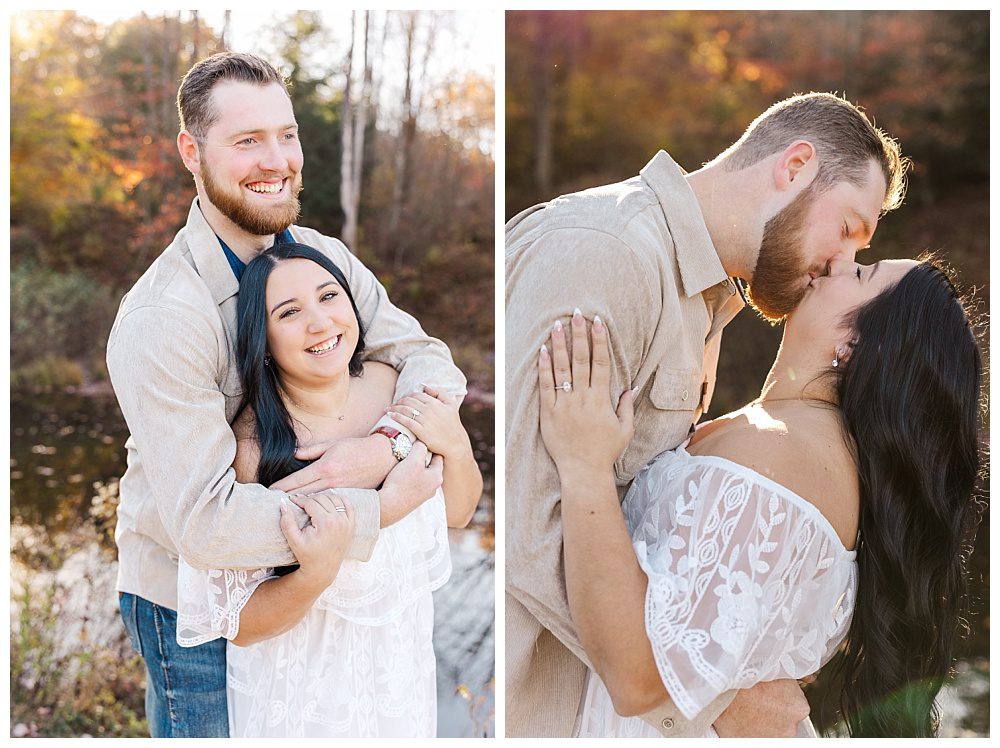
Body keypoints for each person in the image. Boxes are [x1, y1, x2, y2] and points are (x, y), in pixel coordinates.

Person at [505, 92, 908, 737]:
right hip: (530, 704)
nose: (840, 261)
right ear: (796, 166)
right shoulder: (607, 255)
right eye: (849, 228)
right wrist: (719, 691)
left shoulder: (707, 299)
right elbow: (528, 531)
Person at [107, 52, 466, 738]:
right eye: (247, 141)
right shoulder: (164, 319)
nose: (278, 160)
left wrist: (385, 444)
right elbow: (208, 523)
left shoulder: (319, 256)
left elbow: (427, 360)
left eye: (286, 134)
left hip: (307, 582)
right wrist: (377, 506)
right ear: (192, 150)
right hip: (192, 599)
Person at [536, 256, 981, 737]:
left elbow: (640, 676)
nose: (839, 261)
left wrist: (584, 466)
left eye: (860, 275)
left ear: (854, 345)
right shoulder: (788, 437)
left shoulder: (783, 455)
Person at [175, 243, 482, 737]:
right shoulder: (252, 449)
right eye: (290, 312)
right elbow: (242, 623)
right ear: (263, 338)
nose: (320, 323)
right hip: (302, 700)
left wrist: (454, 443)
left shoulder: (395, 388)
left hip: (399, 683)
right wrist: (315, 571)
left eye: (329, 296)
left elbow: (460, 510)